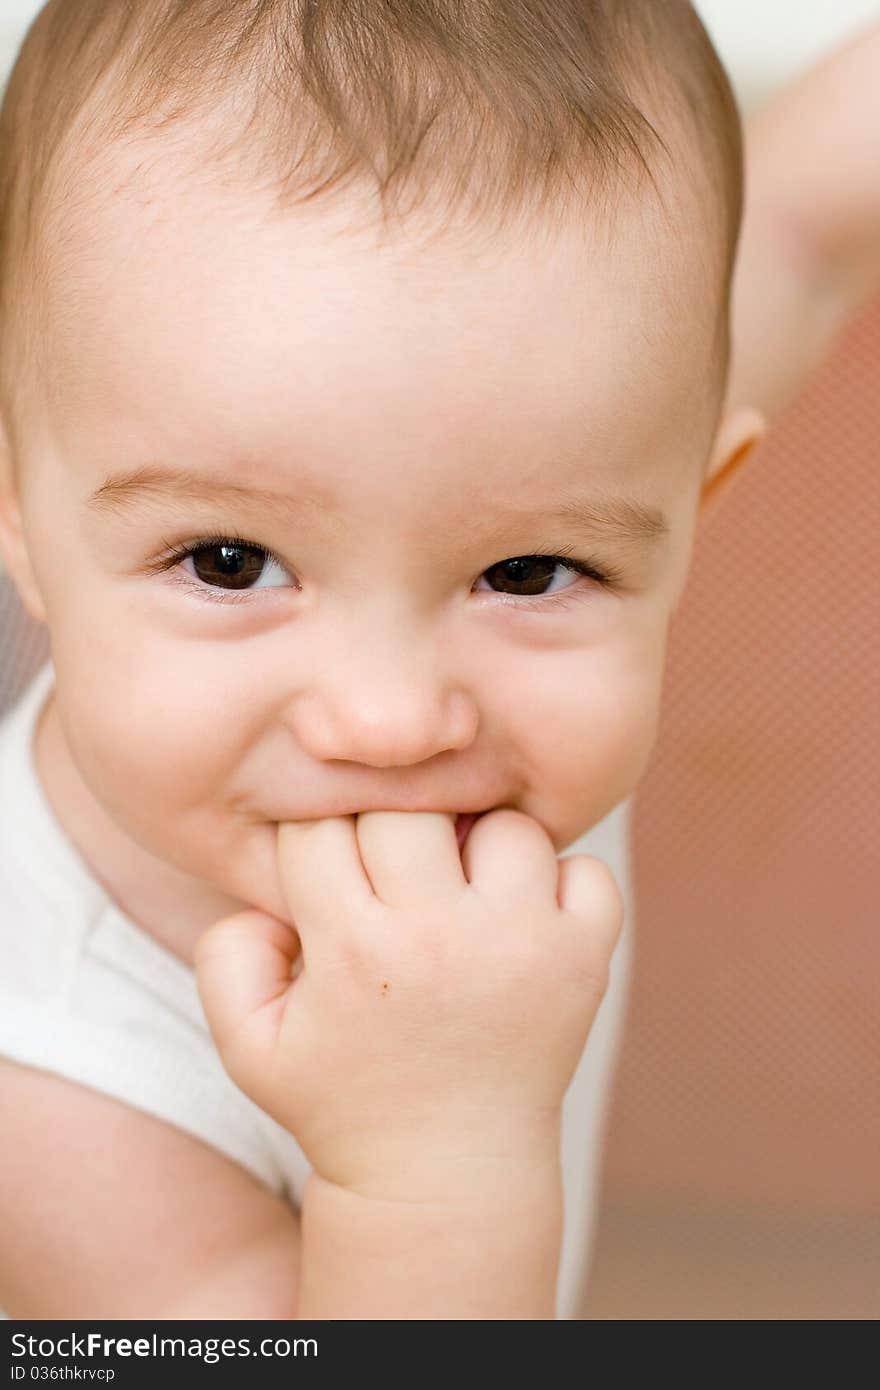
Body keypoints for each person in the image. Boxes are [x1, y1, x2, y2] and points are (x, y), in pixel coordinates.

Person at [0, 1, 876, 1319]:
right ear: (15, 512)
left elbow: (805, 222)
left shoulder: (567, 407)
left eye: (524, 573)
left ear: (691, 508)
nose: (392, 719)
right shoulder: (52, 1087)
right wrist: (435, 1155)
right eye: (229, 561)